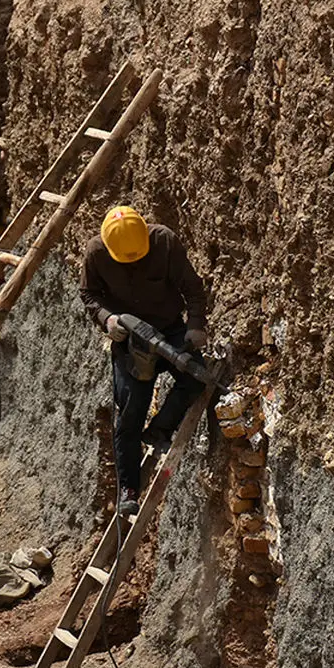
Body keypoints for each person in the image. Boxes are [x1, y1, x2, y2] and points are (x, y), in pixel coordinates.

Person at [79, 206, 209, 516]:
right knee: (130, 413)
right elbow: (89, 294)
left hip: (170, 328)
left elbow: (193, 288)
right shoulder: (96, 252)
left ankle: (160, 430)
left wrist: (195, 326)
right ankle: (129, 489)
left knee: (195, 376)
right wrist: (108, 320)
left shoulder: (164, 241)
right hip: (131, 339)